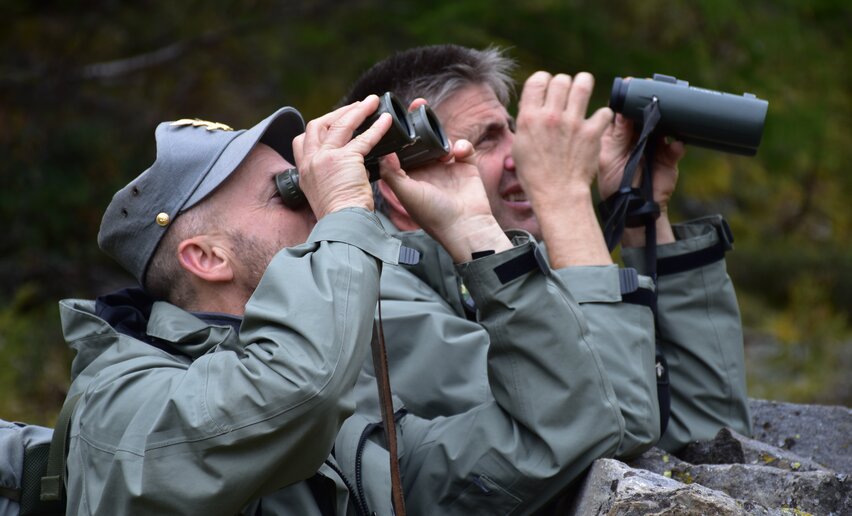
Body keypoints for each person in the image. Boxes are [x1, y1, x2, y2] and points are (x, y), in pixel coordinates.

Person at [60, 95, 635, 514]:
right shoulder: (122, 401)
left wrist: (474, 233)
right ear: (207, 257)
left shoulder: (348, 412)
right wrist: (342, 215)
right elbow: (292, 388)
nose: (314, 203)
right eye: (289, 191)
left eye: (308, 185)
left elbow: (563, 432)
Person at [341, 44, 752, 454]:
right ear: (401, 188)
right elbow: (603, 432)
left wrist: (642, 216)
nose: (522, 154)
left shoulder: (514, 278)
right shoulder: (376, 300)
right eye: (488, 138)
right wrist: (565, 196)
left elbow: (715, 446)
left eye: (514, 130)